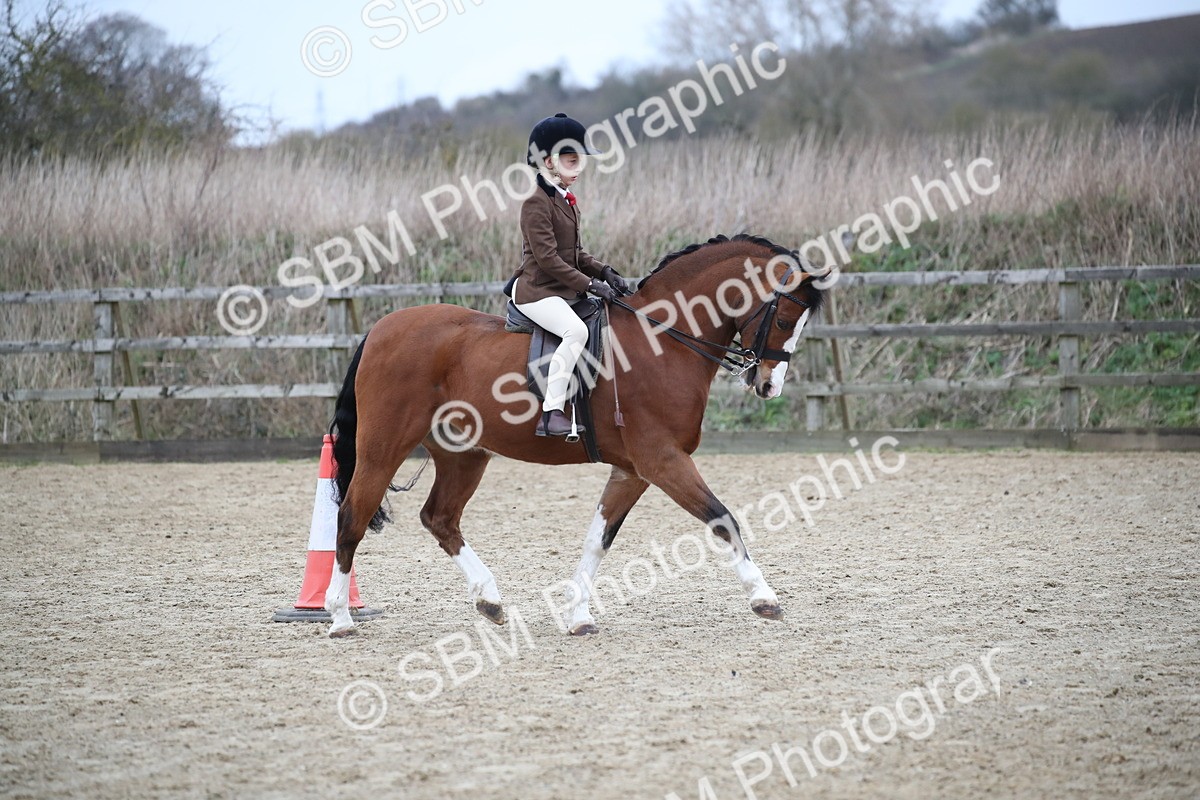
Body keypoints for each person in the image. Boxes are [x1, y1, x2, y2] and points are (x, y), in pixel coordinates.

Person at [509, 113, 632, 437]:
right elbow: (548, 260)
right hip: (537, 290)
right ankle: (550, 414)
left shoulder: (564, 199)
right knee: (575, 332)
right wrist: (590, 285)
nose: (578, 168)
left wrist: (604, 271)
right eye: (571, 160)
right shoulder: (535, 203)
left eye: (580, 161)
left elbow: (574, 254)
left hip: (562, 290)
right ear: (548, 161)